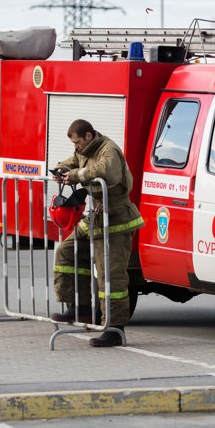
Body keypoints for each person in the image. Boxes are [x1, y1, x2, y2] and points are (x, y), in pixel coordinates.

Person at [51, 119, 144, 347]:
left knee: (110, 276)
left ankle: (114, 329)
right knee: (67, 251)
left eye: (78, 142)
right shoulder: (84, 150)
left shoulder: (108, 150)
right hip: (98, 215)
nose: (76, 147)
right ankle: (80, 309)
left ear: (89, 136)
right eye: (73, 143)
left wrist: (76, 175)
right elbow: (72, 161)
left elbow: (108, 173)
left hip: (117, 217)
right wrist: (62, 169)